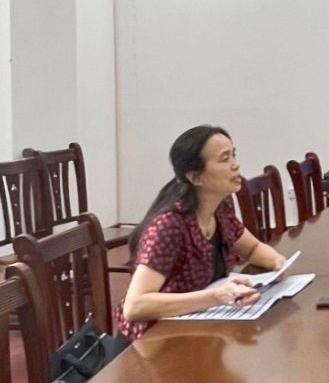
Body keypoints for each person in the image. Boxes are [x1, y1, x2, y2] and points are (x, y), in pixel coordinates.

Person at [116, 125, 286, 339]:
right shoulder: (169, 225)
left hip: (196, 327)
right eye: (224, 159)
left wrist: (277, 262)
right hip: (152, 339)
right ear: (196, 178)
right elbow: (135, 306)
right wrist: (216, 297)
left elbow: (252, 248)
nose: (236, 165)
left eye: (234, 155)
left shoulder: (221, 207)